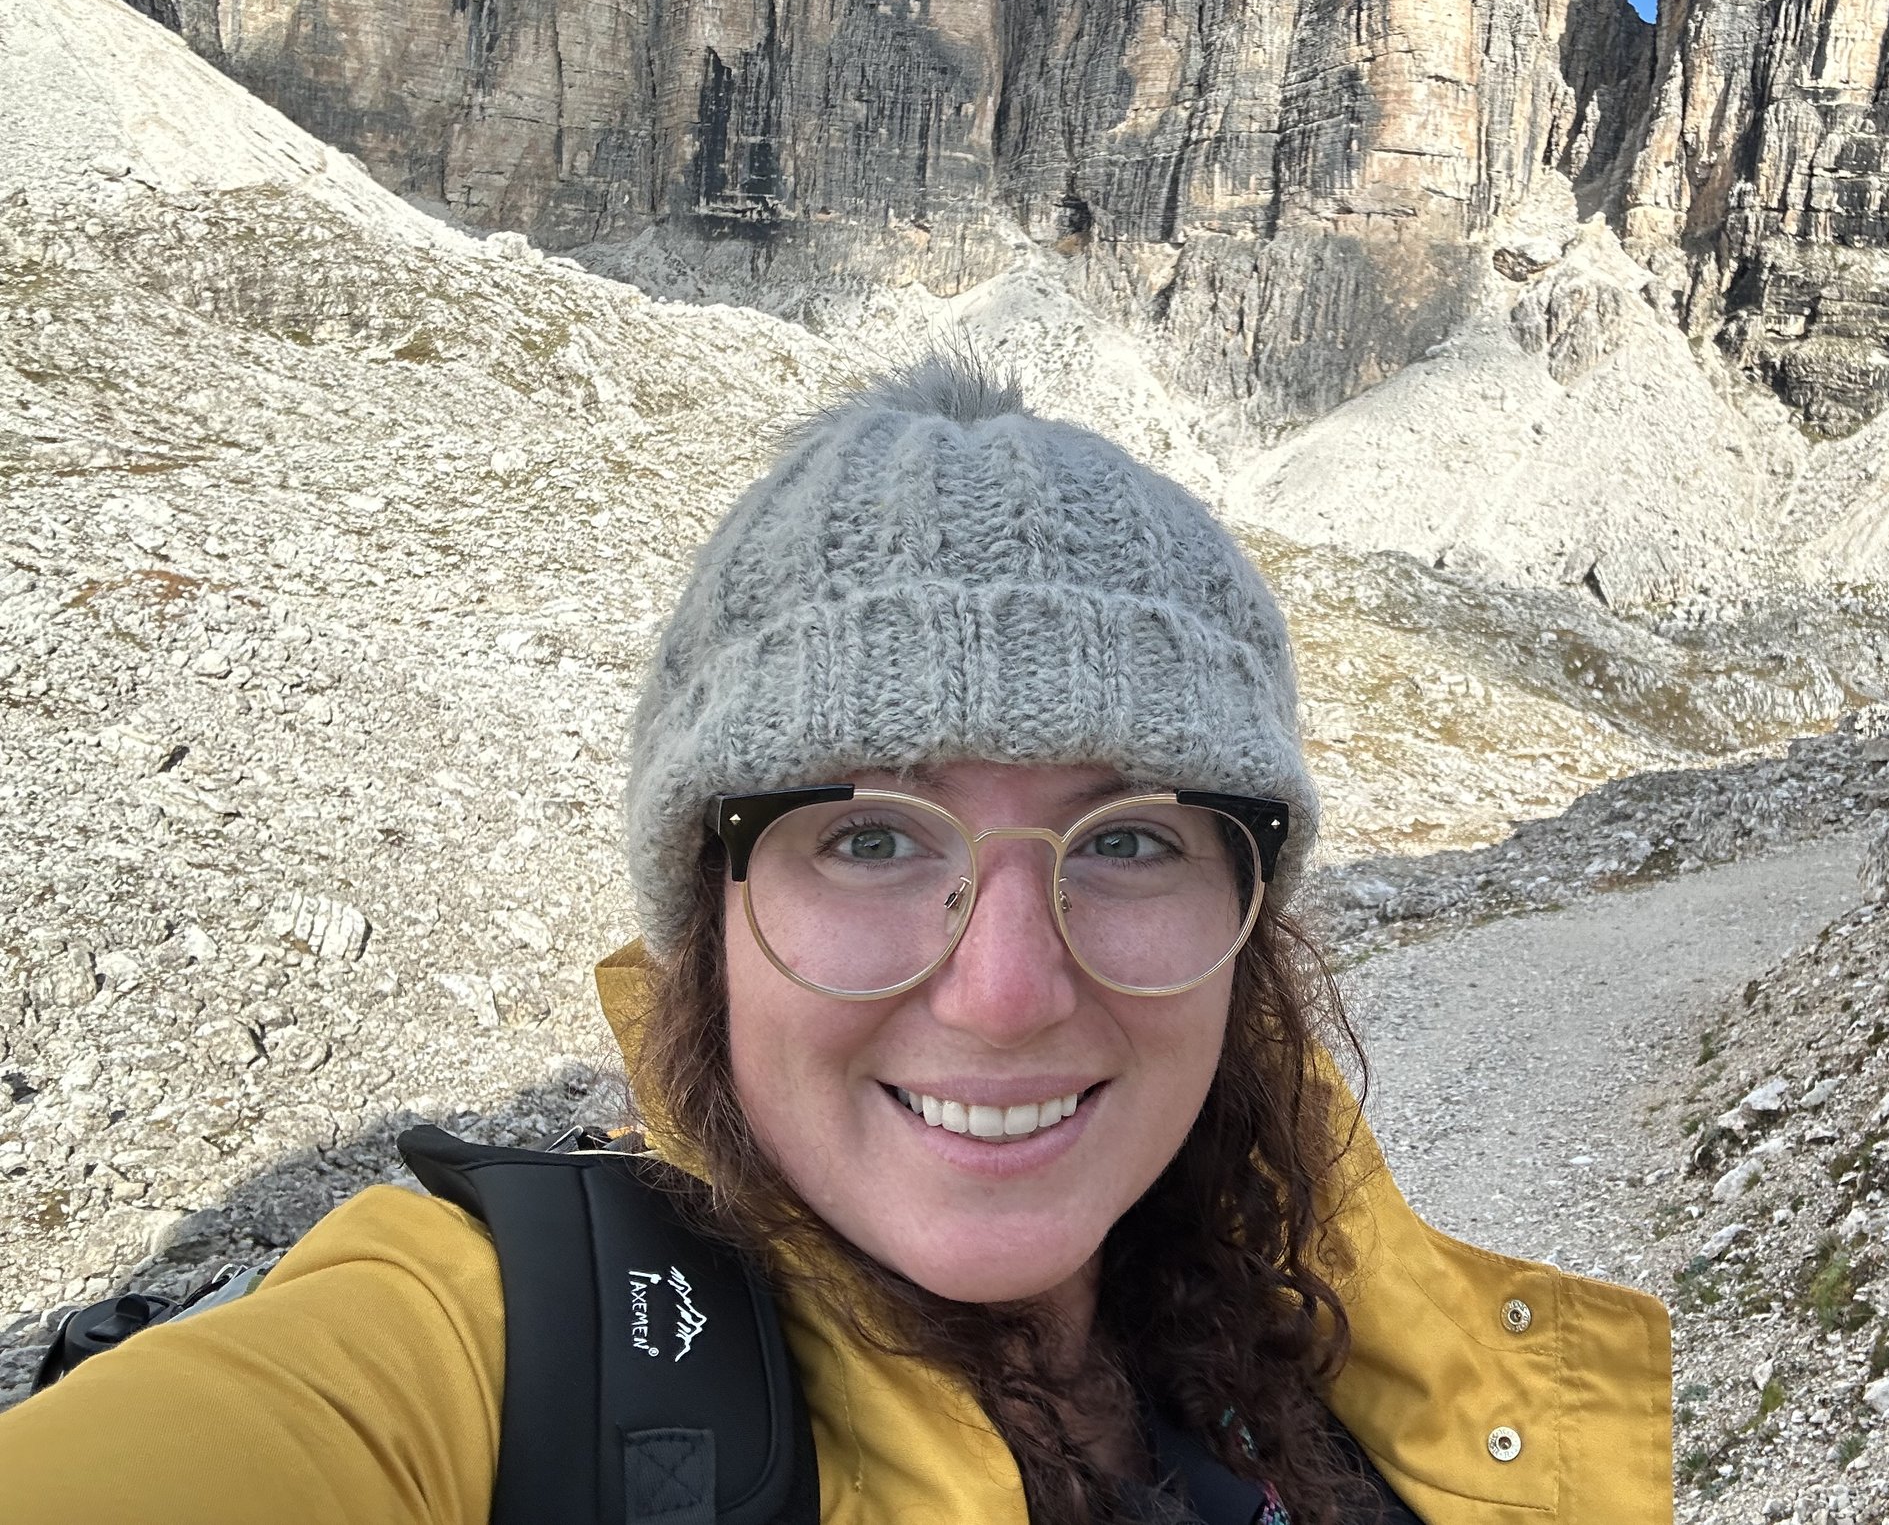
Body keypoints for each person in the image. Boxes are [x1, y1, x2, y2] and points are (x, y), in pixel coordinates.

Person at [0, 360, 1674, 1522]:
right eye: (869, 836)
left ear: (1249, 917)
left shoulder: (1351, 1355)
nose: (1009, 989)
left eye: (1137, 840)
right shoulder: (476, 1360)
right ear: (711, 913)